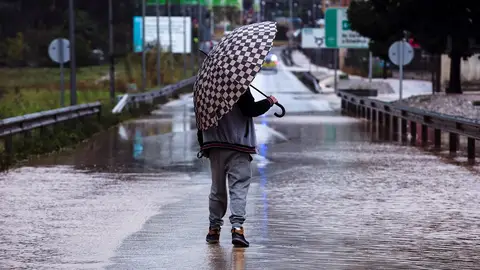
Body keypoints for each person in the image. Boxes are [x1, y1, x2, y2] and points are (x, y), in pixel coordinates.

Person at [197, 88, 278, 247]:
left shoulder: (205, 89)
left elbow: (200, 119)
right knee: (239, 187)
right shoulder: (237, 85)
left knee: (217, 189)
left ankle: (214, 229)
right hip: (239, 145)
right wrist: (269, 101)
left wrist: (203, 144)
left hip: (214, 144)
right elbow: (251, 109)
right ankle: (237, 229)